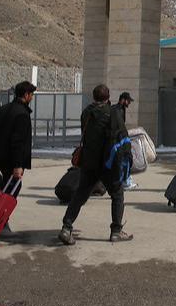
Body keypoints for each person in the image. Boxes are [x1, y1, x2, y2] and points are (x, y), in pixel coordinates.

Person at [59, 84, 132, 244]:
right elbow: (122, 139)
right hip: (108, 163)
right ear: (108, 97)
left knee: (80, 195)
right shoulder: (113, 113)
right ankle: (116, 231)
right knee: (117, 194)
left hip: (89, 162)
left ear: (94, 97)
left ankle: (66, 227)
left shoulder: (87, 113)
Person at [0, 80, 35, 204]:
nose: (32, 97)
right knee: (12, 190)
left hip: (0, 157)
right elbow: (17, 142)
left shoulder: (2, 109)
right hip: (11, 160)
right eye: (32, 94)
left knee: (5, 188)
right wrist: (18, 165)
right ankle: (0, 219)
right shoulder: (22, 114)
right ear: (26, 95)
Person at [116, 92, 138, 190]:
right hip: (119, 140)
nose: (129, 103)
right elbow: (118, 127)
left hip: (121, 139)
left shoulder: (121, 109)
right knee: (125, 159)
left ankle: (125, 180)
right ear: (123, 100)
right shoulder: (118, 110)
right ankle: (125, 181)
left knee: (126, 159)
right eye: (128, 101)